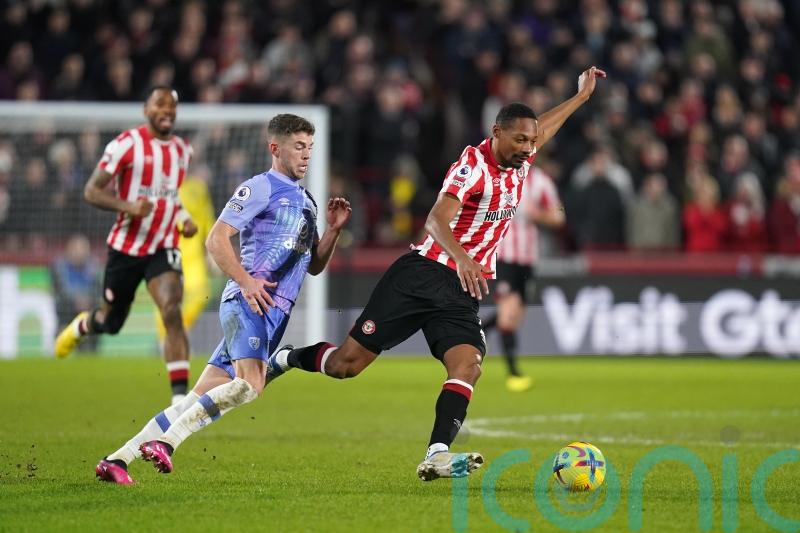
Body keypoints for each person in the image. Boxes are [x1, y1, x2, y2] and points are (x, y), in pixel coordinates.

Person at [267, 67, 606, 482]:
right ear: (496, 132)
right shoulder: (472, 165)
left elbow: (544, 128)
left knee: (468, 366)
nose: (527, 148)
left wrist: (581, 97)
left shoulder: (521, 154)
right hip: (422, 274)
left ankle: (437, 453)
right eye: (519, 139)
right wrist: (464, 257)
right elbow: (435, 221)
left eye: (531, 141)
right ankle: (285, 358)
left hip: (461, 289)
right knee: (345, 366)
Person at [95, 113, 351, 484]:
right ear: (275, 148)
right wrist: (247, 282)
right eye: (299, 146)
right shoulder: (260, 187)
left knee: (196, 398)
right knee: (251, 385)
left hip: (271, 313)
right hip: (251, 303)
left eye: (309, 147)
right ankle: (168, 442)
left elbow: (313, 266)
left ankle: (117, 460)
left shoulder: (308, 201)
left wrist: (333, 232)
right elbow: (216, 238)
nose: (306, 154)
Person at [54, 86, 198, 405]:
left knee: (172, 310)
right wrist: (129, 207)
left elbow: (170, 194)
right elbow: (92, 191)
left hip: (163, 245)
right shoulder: (125, 145)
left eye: (172, 106)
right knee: (111, 322)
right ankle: (81, 325)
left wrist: (184, 218)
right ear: (146, 109)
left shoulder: (182, 151)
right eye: (160, 104)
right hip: (126, 248)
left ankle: (179, 403)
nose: (167, 111)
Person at [481, 164, 565, 392]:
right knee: (508, 316)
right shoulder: (497, 178)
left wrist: (538, 214)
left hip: (527, 260)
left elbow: (559, 214)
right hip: (504, 257)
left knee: (514, 317)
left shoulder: (541, 181)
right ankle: (513, 374)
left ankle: (477, 330)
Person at [154, 164, 216, 350]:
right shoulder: (162, 189)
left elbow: (207, 218)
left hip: (194, 254)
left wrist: (211, 250)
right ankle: (165, 340)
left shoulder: (198, 187)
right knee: (167, 298)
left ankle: (181, 328)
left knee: (201, 293)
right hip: (169, 251)